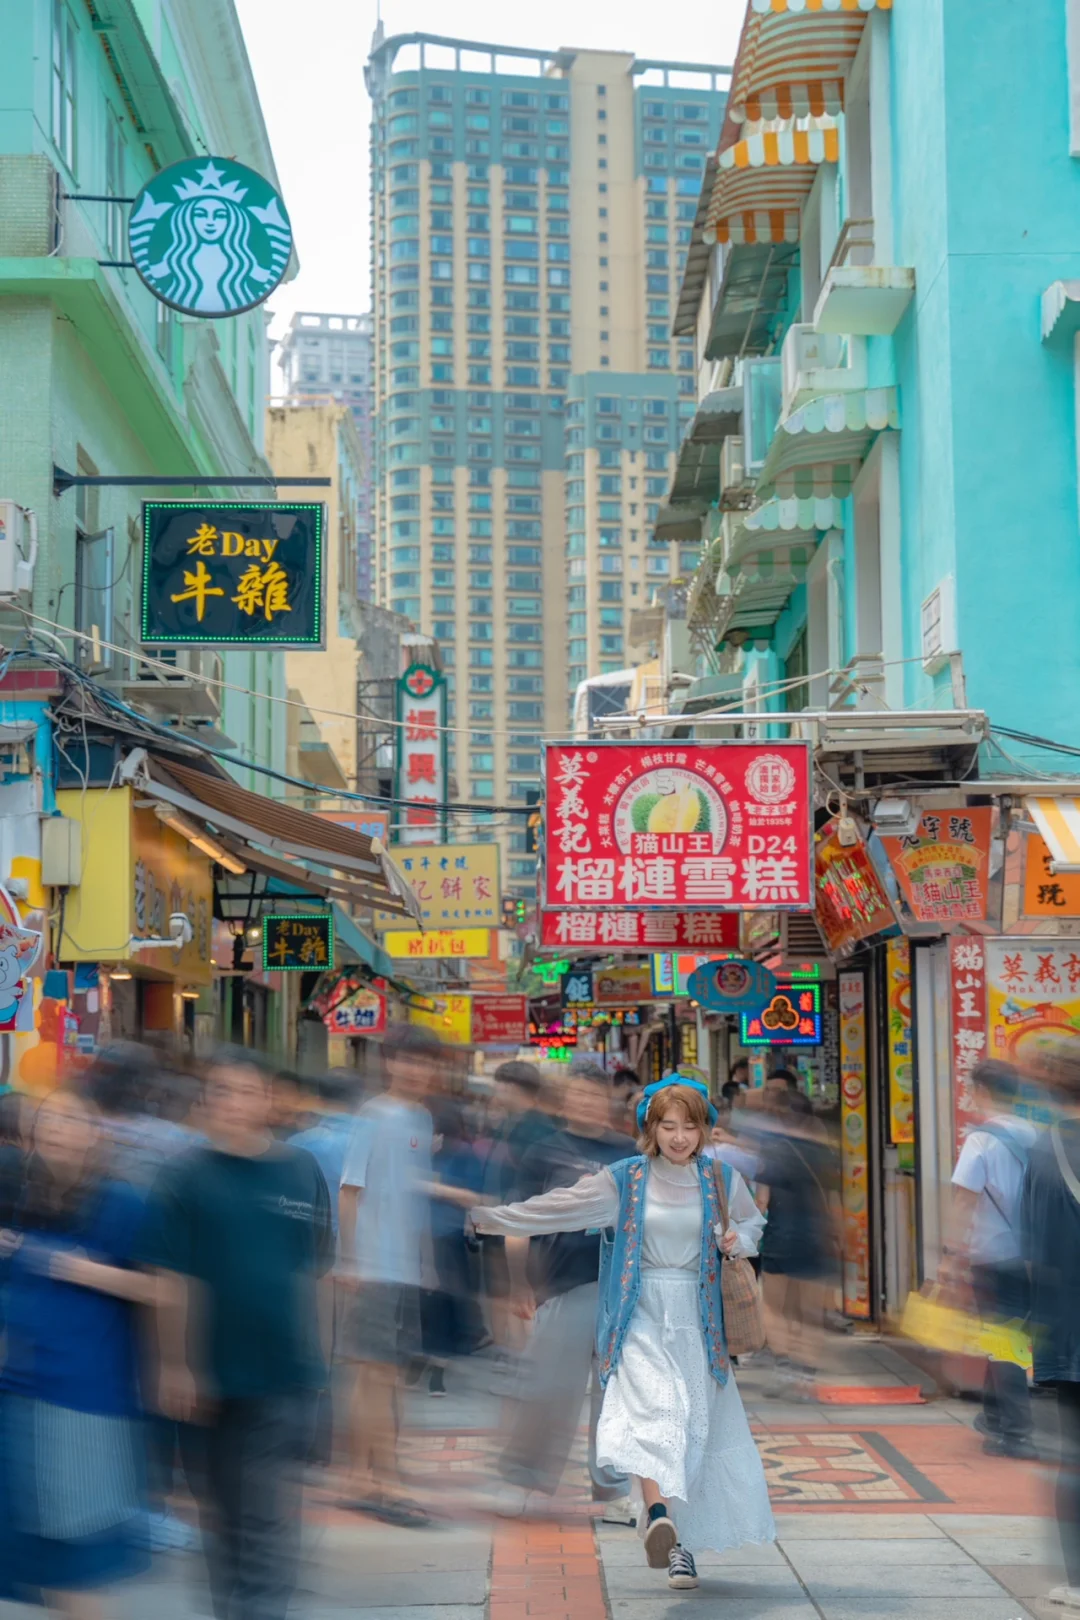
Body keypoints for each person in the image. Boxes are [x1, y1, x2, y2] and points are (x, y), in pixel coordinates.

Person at [472, 1074, 774, 1592]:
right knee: (652, 1414)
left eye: (690, 1126)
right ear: (649, 1129)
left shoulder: (721, 1181)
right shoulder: (625, 1178)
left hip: (699, 1318)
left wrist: (735, 1239)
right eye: (668, 1126)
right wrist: (494, 1219)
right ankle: (657, 1512)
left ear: (705, 1131)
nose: (679, 1137)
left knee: (691, 1430)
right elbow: (558, 1207)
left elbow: (753, 1224)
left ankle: (682, 1548)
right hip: (639, 1314)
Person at [139, 1048, 334, 1620]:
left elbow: (316, 1270)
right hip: (206, 1380)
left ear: (268, 1100)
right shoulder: (182, 1177)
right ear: (205, 1100)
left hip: (282, 1374)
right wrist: (173, 1364)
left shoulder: (301, 1169)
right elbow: (168, 1277)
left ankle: (260, 1609)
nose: (232, 1102)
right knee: (221, 1514)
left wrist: (321, 1359)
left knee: (269, 1515)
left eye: (246, 1091)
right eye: (220, 1091)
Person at [0, 1088, 154, 1618]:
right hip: (20, 1393)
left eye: (72, 1121)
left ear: (95, 1134)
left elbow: (159, 1288)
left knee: (75, 1559)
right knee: (36, 1559)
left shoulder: (123, 1201)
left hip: (84, 1398)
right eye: (48, 1122)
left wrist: (72, 1266)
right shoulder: (25, 1197)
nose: (59, 1131)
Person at [487, 1066, 635, 1520]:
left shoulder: (627, 1154)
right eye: (578, 1094)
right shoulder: (544, 1150)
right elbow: (520, 1220)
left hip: (620, 1289)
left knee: (617, 1397)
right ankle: (521, 1478)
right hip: (562, 1284)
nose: (587, 1102)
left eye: (594, 1095)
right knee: (548, 1390)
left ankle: (612, 1491)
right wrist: (518, 1283)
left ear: (606, 1100)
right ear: (566, 1099)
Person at [338, 1024, 437, 1525]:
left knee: (380, 1376)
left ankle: (359, 1473)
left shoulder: (420, 1116)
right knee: (379, 1376)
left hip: (402, 1270)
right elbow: (349, 1189)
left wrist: (425, 1265)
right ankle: (386, 1480)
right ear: (390, 1063)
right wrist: (350, 1260)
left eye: (425, 1062)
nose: (418, 1070)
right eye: (409, 1060)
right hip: (374, 1266)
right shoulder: (373, 1115)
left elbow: (411, 1194)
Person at [945, 1058, 1037, 1459]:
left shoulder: (981, 1140)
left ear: (981, 1091)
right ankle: (994, 1417)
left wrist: (950, 1254)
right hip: (1033, 1256)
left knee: (1003, 1342)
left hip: (992, 1254)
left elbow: (964, 1200)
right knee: (1004, 1335)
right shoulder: (1037, 1136)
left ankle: (1017, 1431)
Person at [1024, 1043, 1080, 1611]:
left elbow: (1033, 1247)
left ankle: (1078, 1580)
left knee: (1074, 1457)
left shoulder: (1043, 1152)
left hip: (1066, 1325)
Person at [751, 1070, 840, 1388]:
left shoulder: (773, 1152)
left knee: (772, 1306)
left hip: (780, 1234)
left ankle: (784, 1361)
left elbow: (762, 1200)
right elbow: (832, 1200)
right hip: (817, 1236)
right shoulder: (824, 1154)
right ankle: (806, 1374)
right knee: (810, 1313)